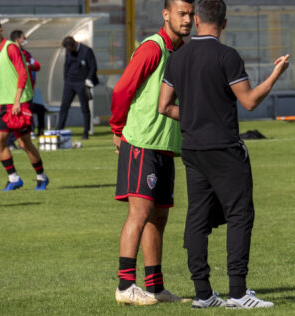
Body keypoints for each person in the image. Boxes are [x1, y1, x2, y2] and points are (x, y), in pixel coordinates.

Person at [158, 0, 289, 309]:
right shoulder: (227, 56)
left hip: (191, 147)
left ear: (197, 19)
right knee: (240, 214)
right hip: (223, 148)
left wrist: (192, 117)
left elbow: (164, 106)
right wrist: (275, 74)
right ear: (225, 23)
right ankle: (238, 292)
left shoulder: (178, 58)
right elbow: (249, 101)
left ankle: (203, 294)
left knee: (198, 217)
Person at [109, 0, 193, 306]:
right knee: (140, 214)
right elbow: (122, 90)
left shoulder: (181, 51)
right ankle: (125, 285)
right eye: (182, 13)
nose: (188, 19)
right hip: (142, 143)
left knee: (158, 219)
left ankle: (155, 287)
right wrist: (117, 129)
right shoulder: (152, 48)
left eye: (191, 14)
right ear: (166, 15)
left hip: (166, 146)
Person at [0, 19, 49, 191]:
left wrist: (17, 101)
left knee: (24, 143)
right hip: (0, 103)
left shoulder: (11, 48)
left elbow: (23, 74)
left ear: (0, 31)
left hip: (16, 103)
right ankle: (14, 178)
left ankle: (41, 177)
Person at [57, 36, 98, 139]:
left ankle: (86, 132)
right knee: (64, 107)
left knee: (84, 107)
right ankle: (59, 130)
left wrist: (89, 79)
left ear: (74, 44)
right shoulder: (68, 51)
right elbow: (66, 65)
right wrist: (66, 79)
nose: (69, 51)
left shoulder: (86, 51)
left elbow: (93, 66)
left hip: (82, 83)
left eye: (70, 49)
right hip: (70, 82)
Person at [11, 30, 45, 136]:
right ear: (17, 40)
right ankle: (11, 140)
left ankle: (35, 132)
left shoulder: (26, 54)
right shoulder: (10, 52)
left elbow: (37, 66)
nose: (25, 40)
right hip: (15, 89)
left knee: (33, 110)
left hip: (27, 90)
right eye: (24, 38)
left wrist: (28, 65)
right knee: (16, 114)